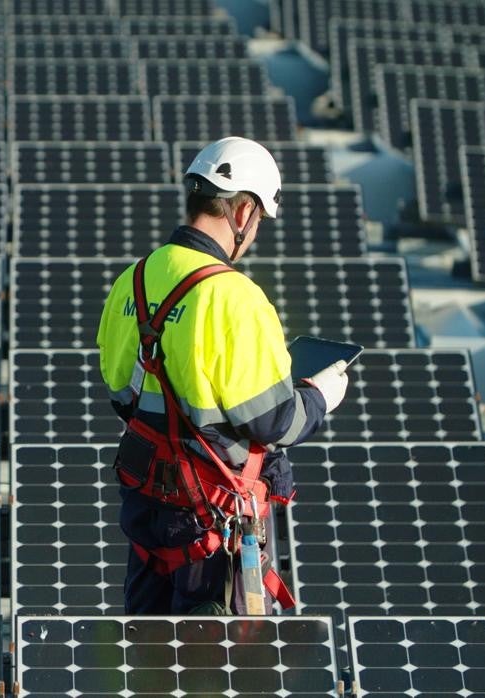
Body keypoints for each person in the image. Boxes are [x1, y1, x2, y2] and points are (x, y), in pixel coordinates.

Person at [95, 136, 351, 615]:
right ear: (243, 211)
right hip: (212, 526)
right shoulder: (236, 297)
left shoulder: (131, 280)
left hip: (149, 517)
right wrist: (319, 397)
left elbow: (121, 394)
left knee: (147, 659)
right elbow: (274, 421)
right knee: (218, 671)